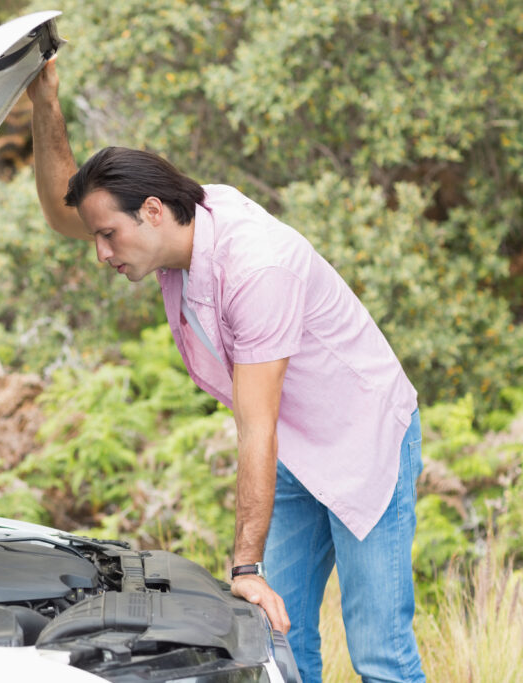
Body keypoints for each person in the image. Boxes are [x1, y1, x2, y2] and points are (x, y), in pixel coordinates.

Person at [27, 59, 425, 683]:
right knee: (273, 638)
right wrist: (45, 102)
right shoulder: (177, 228)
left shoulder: (257, 268)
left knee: (379, 654)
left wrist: (245, 566)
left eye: (108, 236)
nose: (100, 254)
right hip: (292, 447)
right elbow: (61, 212)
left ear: (152, 210)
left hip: (362, 439)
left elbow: (256, 424)